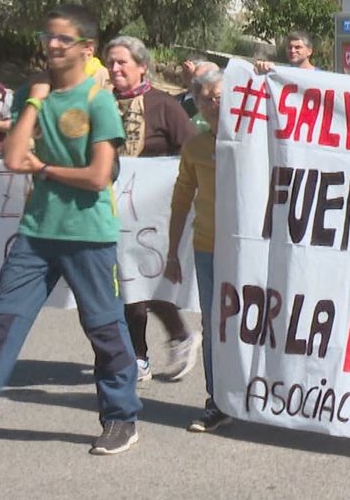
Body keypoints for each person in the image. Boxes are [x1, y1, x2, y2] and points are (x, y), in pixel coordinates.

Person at [0, 4, 142, 461]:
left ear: (86, 48)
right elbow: (11, 158)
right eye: (48, 36)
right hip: (37, 232)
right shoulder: (36, 92)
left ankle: (120, 418)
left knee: (105, 330)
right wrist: (33, 100)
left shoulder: (97, 100)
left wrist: (44, 167)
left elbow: (98, 176)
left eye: (63, 38)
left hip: (88, 234)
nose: (51, 44)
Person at [105, 36, 200, 383]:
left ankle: (159, 345)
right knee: (122, 285)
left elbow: (192, 149)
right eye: (110, 62)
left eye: (122, 62)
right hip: (109, 207)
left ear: (142, 66)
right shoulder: (100, 103)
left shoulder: (163, 106)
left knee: (141, 283)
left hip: (153, 210)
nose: (115, 69)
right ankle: (144, 352)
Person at [165, 69, 231, 433]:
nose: (213, 103)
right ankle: (216, 402)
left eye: (219, 95)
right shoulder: (194, 148)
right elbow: (180, 201)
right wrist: (172, 253)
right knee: (213, 325)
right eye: (205, 98)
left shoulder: (259, 140)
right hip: (208, 249)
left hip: (256, 252)